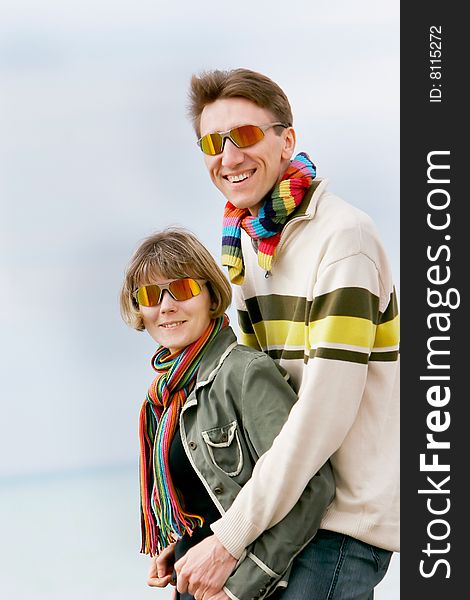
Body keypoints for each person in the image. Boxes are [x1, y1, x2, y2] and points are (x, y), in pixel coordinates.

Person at [174, 68, 400, 600]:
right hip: (287, 513)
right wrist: (201, 525)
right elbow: (248, 399)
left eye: (246, 136)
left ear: (287, 140)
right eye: (213, 142)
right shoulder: (245, 246)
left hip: (342, 521)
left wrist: (228, 541)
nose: (228, 157)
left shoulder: (344, 238)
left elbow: (323, 413)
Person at [120, 227, 335, 600]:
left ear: (210, 294)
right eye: (151, 296)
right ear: (139, 309)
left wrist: (239, 588)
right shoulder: (164, 399)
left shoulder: (244, 372)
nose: (166, 306)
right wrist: (183, 547)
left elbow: (312, 487)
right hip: (199, 583)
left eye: (182, 289)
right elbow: (212, 499)